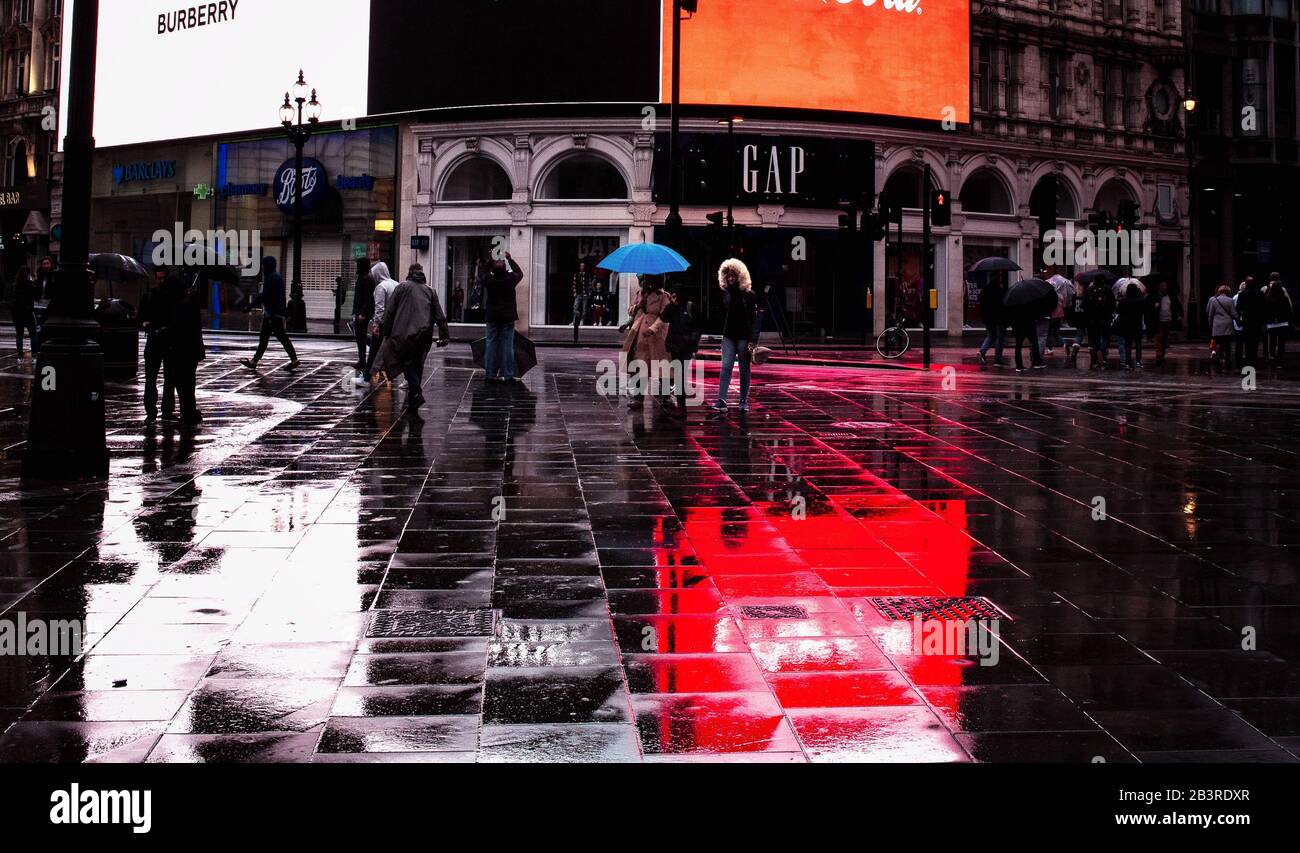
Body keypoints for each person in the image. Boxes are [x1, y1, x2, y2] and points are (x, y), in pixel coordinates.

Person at [376, 264, 450, 411]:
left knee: (406, 362)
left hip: (403, 334)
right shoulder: (430, 291)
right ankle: (413, 398)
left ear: (409, 274)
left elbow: (390, 312)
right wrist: (444, 335)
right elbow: (440, 316)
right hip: (424, 334)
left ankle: (416, 391)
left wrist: (386, 331)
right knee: (418, 364)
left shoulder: (401, 288)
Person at [712, 259, 761, 412]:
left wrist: (753, 339)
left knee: (744, 368)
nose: (731, 278)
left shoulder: (750, 295)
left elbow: (755, 319)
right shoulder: (725, 294)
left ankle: (743, 401)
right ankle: (721, 399)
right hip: (728, 335)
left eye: (733, 275)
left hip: (744, 336)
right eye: (728, 276)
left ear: (740, 276)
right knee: (725, 366)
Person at [240, 257, 301, 371]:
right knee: (267, 338)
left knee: (277, 337)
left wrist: (250, 306)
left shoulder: (272, 278)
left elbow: (265, 295)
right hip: (273, 313)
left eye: (263, 265)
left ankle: (294, 360)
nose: (262, 268)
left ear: (267, 266)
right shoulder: (274, 277)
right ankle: (255, 361)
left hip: (273, 314)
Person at [623, 274, 674, 410]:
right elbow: (630, 310)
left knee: (662, 365)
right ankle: (639, 397)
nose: (645, 282)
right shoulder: (640, 293)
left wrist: (653, 329)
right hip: (640, 333)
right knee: (641, 364)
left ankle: (666, 395)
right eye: (644, 279)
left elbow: (665, 314)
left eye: (647, 279)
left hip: (657, 336)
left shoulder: (663, 296)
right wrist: (638, 305)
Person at [164, 274, 206, 428]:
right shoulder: (190, 303)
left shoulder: (180, 306)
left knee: (183, 385)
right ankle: (189, 412)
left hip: (182, 352)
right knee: (189, 384)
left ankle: (187, 413)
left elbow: (175, 329)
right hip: (192, 352)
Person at [139, 266, 177, 423]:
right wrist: (145, 323)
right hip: (155, 340)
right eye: (158, 278)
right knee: (152, 378)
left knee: (168, 378)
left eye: (162, 278)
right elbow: (140, 318)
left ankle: (164, 410)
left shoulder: (171, 297)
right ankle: (152, 411)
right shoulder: (150, 296)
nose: (160, 281)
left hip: (166, 341)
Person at [478, 252, 524, 383]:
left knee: (491, 345)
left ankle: (490, 374)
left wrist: (489, 260)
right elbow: (519, 272)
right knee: (508, 346)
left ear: (492, 269)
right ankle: (508, 375)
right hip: (507, 317)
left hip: (492, 316)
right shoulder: (510, 279)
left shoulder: (490, 280)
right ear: (505, 267)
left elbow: (481, 273)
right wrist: (509, 258)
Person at [661, 284, 702, 419]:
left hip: (686, 346)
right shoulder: (672, 307)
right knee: (679, 374)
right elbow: (664, 318)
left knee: (681, 374)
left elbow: (698, 327)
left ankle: (681, 405)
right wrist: (671, 304)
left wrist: (691, 341)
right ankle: (680, 404)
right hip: (675, 345)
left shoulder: (692, 307)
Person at [1080, 274, 1116, 370]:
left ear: (1094, 280)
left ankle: (1094, 359)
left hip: (1092, 320)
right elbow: (1113, 304)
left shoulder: (1089, 290)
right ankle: (1103, 356)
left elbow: (1083, 305)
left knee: (1092, 339)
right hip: (1105, 319)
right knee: (1105, 338)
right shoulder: (1108, 290)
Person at [1146, 280, 1183, 367]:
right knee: (1158, 340)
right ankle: (1159, 357)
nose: (1164, 287)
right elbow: (1148, 308)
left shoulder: (1171, 296)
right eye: (1162, 286)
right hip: (1158, 321)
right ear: (1158, 287)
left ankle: (1162, 357)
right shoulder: (1154, 296)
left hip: (1168, 321)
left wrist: (1180, 315)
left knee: (1164, 340)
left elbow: (1177, 305)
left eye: (1165, 286)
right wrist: (1154, 306)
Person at [350, 257, 375, 379]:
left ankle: (363, 360)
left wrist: (362, 313)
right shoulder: (363, 277)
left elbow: (367, 298)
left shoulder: (367, 279)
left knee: (361, 336)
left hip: (362, 312)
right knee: (360, 336)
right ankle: (362, 359)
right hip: (360, 310)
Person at [1235, 276, 1267, 369]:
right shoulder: (1260, 294)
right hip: (1257, 321)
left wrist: (1240, 319)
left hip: (1247, 321)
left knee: (1248, 342)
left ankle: (1249, 360)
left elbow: (1238, 308)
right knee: (1255, 341)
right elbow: (1264, 307)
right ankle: (1254, 359)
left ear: (1247, 284)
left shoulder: (1242, 295)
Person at [1115, 279, 1147, 370]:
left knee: (1128, 344)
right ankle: (1138, 361)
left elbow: (1118, 311)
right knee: (1138, 344)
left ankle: (1128, 362)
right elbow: (1144, 311)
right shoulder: (1140, 300)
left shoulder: (1123, 301)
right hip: (1137, 324)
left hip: (1127, 325)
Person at [1206, 284, 1239, 371]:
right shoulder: (1230, 301)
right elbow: (1233, 313)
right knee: (1227, 344)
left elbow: (1210, 315)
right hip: (1227, 325)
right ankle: (1227, 359)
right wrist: (1238, 321)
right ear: (1228, 292)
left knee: (1219, 342)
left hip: (1217, 325)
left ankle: (1220, 358)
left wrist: (1210, 325)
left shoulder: (1214, 301)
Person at [977, 276, 1008, 366]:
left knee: (991, 336)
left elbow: (981, 305)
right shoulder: (1000, 291)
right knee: (999, 338)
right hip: (999, 318)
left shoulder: (985, 291)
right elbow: (1004, 305)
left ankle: (982, 351)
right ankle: (998, 360)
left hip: (988, 319)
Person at [1264, 275, 1294, 367]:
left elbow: (1265, 312)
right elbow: (1289, 311)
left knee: (1272, 344)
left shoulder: (1267, 299)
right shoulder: (1284, 299)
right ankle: (1280, 362)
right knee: (1281, 344)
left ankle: (1272, 359)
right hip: (1283, 324)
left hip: (1271, 324)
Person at [1044, 266, 1073, 356]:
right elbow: (1064, 305)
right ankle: (1064, 343)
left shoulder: (1049, 296)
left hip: (1051, 316)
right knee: (1056, 334)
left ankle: (1049, 349)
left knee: (1049, 333)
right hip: (1059, 316)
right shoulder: (1060, 295)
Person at [9, 267, 38, 358]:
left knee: (19, 336)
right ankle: (34, 355)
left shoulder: (15, 285)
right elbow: (35, 297)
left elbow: (11, 299)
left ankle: (20, 357)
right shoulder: (31, 285)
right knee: (33, 335)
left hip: (17, 313)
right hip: (28, 312)